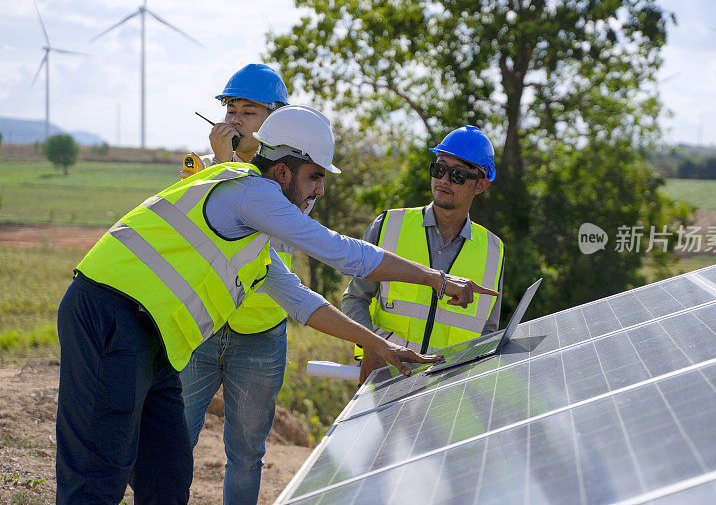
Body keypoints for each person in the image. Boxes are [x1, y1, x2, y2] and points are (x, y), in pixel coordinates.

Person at [55, 105, 496, 504]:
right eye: (315, 177)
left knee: (166, 474)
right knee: (99, 472)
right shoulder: (251, 193)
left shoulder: (255, 238)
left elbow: (306, 304)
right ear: (284, 172)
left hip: (152, 339)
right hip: (109, 315)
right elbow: (345, 253)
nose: (320, 191)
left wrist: (378, 345)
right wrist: (436, 278)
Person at [178, 64, 299, 504]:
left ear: (276, 120)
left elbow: (267, 240)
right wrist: (222, 165)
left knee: (246, 454)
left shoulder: (288, 176)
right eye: (231, 108)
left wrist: (231, 164)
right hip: (203, 327)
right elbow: (196, 242)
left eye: (249, 111)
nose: (235, 119)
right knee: (175, 442)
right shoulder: (199, 172)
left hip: (261, 333)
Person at [342, 126, 504, 383]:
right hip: (386, 377)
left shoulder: (494, 250)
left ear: (481, 184)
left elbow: (487, 331)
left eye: (458, 175)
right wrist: (371, 348)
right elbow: (354, 298)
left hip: (449, 388)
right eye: (439, 169)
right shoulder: (388, 226)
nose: (444, 180)